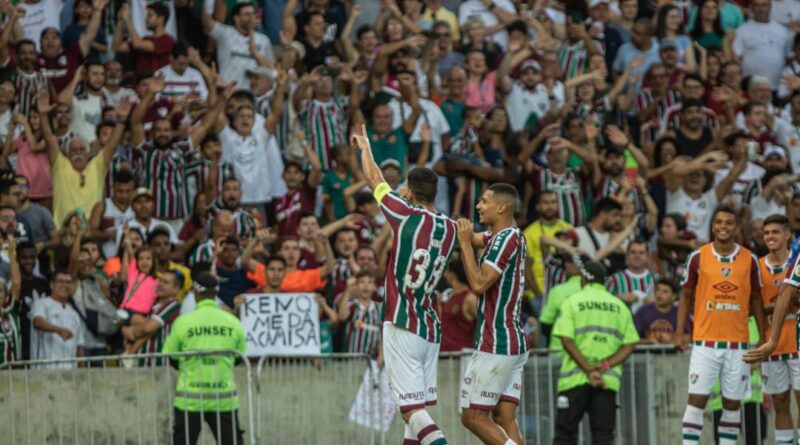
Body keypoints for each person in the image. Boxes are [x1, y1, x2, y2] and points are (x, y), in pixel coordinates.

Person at [351, 124, 456, 445]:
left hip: (402, 323)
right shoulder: (451, 229)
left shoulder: (404, 213)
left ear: (409, 192)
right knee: (413, 416)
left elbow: (375, 181)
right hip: (430, 328)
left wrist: (365, 148)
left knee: (411, 410)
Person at [676, 206, 766, 445]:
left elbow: (756, 299)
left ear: (736, 227)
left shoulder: (750, 259)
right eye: (719, 222)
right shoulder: (697, 257)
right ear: (713, 226)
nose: (723, 227)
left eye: (729, 223)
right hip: (705, 342)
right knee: (696, 400)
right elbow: (685, 296)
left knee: (732, 403)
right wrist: (680, 332)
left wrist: (763, 335)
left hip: (738, 344)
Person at [457, 183, 528, 445]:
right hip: (513, 340)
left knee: (473, 417)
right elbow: (473, 237)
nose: (478, 206)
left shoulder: (504, 239)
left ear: (501, 207)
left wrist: (464, 244)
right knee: (503, 418)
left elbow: (478, 284)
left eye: (484, 201)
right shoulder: (508, 235)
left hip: (496, 341)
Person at [552, 259, 639, 444]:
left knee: (565, 435)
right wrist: (604, 366)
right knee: (603, 436)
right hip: (606, 380)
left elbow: (566, 340)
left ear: (584, 279)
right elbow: (630, 344)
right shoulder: (620, 306)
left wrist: (588, 370)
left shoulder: (572, 302)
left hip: (574, 380)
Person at [162, 271, 246, 445]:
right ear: (216, 293)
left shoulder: (183, 322)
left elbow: (170, 356)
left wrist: (188, 367)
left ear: (195, 292)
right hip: (223, 399)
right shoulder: (232, 321)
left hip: (189, 400)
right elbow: (239, 357)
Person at [755, 214, 798, 445]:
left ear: (787, 234)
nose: (770, 237)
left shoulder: (798, 262)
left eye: (775, 232)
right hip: (772, 345)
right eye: (766, 233)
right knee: (780, 403)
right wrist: (780, 303)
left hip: (798, 343)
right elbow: (755, 307)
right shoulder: (758, 267)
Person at [30, 270, 84, 368]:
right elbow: (37, 322)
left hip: (69, 374)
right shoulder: (41, 303)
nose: (65, 285)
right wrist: (58, 330)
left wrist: (83, 374)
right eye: (60, 282)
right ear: (52, 285)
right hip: (44, 372)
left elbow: (79, 347)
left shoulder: (74, 314)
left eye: (68, 282)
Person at [606, 241, 658, 313]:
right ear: (627, 255)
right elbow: (604, 304)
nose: (637, 256)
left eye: (641, 253)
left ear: (647, 256)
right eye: (633, 252)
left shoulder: (657, 279)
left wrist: (657, 300)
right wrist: (619, 298)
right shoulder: (614, 279)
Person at [439, 261, 477, 353]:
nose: (444, 275)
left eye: (447, 272)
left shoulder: (470, 298)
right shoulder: (450, 298)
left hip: (462, 356)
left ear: (453, 274)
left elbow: (485, 324)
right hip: (444, 356)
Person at [634, 278, 686, 344]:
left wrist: (671, 339)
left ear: (674, 296)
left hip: (673, 354)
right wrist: (649, 342)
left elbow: (687, 337)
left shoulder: (680, 313)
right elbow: (632, 339)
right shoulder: (642, 312)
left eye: (665, 291)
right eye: (658, 290)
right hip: (647, 353)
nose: (659, 294)